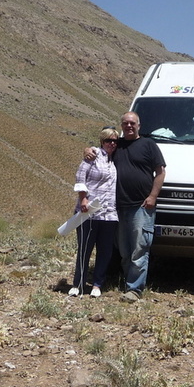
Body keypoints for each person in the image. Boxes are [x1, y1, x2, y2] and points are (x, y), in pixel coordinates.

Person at [87, 112, 166, 302]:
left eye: (132, 123)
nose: (129, 126)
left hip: (141, 206)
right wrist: (87, 149)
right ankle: (127, 282)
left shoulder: (149, 144)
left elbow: (160, 171)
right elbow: (99, 151)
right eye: (125, 123)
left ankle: (134, 289)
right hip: (117, 206)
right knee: (124, 249)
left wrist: (153, 196)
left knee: (139, 248)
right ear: (121, 126)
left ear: (139, 125)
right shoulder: (117, 145)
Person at [68, 127, 119, 298]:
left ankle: (97, 284)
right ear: (101, 142)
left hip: (110, 213)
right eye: (108, 140)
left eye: (114, 141)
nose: (112, 143)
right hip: (89, 211)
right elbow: (80, 177)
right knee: (85, 248)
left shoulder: (116, 159)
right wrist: (83, 199)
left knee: (105, 250)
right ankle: (78, 283)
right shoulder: (93, 156)